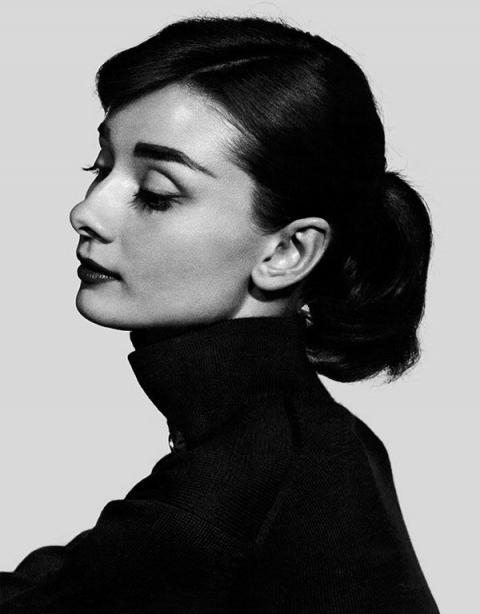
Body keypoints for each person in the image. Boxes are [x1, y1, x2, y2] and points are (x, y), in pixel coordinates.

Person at [0, 15, 440, 613]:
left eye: (156, 193)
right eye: (100, 167)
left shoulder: (246, 472)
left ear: (287, 252)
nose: (87, 212)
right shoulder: (300, 441)